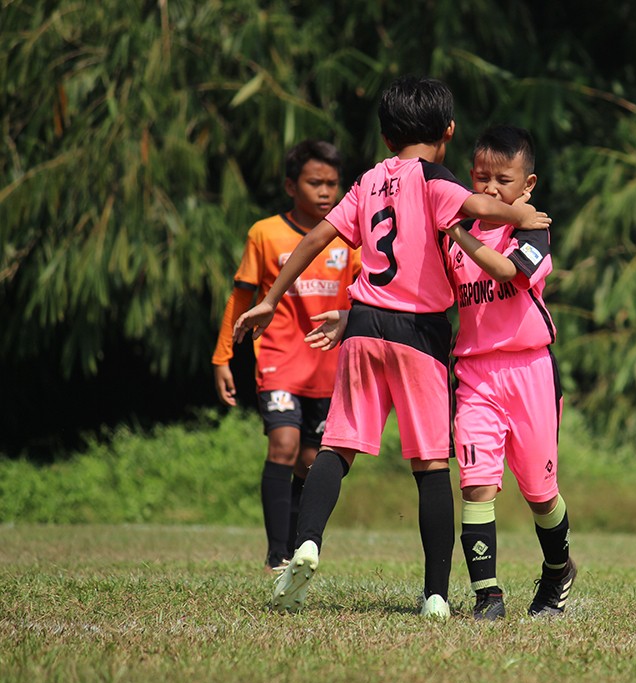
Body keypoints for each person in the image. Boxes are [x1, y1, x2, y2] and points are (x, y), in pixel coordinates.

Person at [234, 76, 551, 618]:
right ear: (448, 131)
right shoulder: (435, 179)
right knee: (430, 465)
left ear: (384, 137)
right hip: (419, 336)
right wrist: (519, 214)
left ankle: (306, 542)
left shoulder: (367, 181)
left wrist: (271, 298)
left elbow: (315, 238)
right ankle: (434, 595)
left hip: (360, 326)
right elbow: (478, 206)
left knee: (337, 446)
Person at [211, 139, 360, 572]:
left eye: (333, 183)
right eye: (315, 182)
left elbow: (365, 296)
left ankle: (300, 550)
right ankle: (276, 555)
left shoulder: (349, 240)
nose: (326, 192)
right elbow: (240, 297)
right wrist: (223, 357)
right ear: (290, 186)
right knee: (284, 443)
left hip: (328, 366)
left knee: (312, 462)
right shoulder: (265, 233)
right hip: (278, 360)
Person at [444, 126, 574, 619]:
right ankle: (488, 596)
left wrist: (455, 231)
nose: (491, 189)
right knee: (476, 483)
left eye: (504, 179)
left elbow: (509, 272)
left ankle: (558, 569)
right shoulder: (455, 233)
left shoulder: (532, 228)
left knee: (541, 495)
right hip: (475, 373)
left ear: (528, 184)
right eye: (480, 178)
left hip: (530, 371)